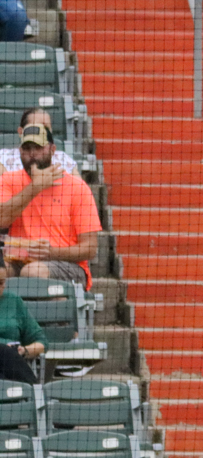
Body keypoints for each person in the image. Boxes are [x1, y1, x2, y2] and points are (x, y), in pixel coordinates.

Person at [0, 124, 101, 290]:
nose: (32, 154)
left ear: (53, 149)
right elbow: (2, 219)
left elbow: (90, 248)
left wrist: (51, 252)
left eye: (38, 148)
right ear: (19, 151)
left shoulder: (77, 187)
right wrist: (35, 187)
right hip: (18, 260)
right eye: (27, 148)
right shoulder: (8, 181)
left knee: (33, 271)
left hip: (67, 263)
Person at [0, 110, 78, 176]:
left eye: (46, 128)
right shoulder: (3, 157)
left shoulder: (63, 158)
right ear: (21, 132)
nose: (42, 131)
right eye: (37, 126)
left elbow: (79, 189)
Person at [0, 273, 45, 384]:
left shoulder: (13, 301)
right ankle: (35, 391)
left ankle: (33, 393)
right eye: (0, 283)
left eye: (4, 281)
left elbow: (42, 342)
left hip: (10, 363)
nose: (4, 286)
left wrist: (24, 350)